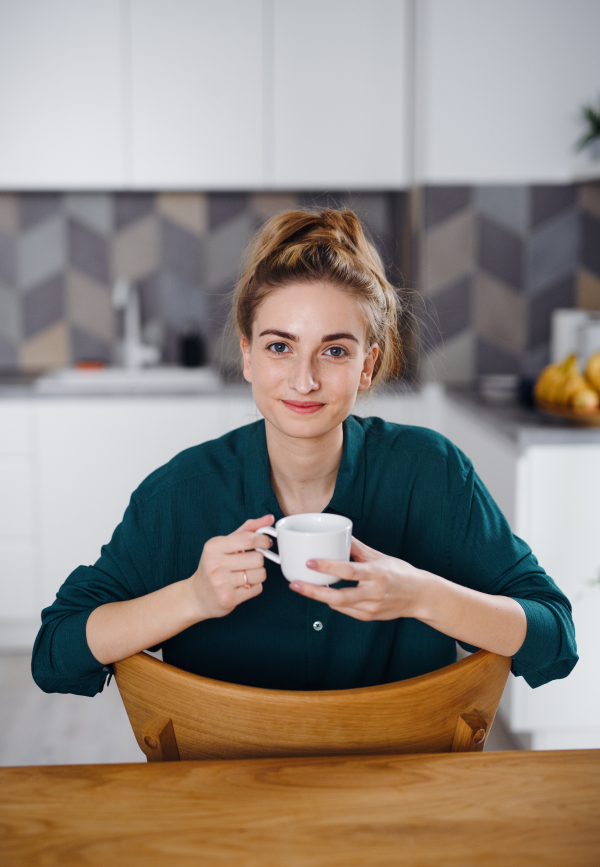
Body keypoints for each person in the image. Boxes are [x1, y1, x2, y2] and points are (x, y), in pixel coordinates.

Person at [32, 209, 577, 696]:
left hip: (399, 792)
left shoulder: (430, 472)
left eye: (335, 351)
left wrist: (422, 597)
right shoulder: (182, 491)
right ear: (247, 356)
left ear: (368, 366)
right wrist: (192, 599)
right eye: (279, 347)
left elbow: (556, 640)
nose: (304, 379)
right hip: (229, 799)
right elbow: (55, 655)